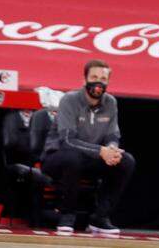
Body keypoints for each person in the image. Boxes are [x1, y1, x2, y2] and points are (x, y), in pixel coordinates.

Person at [41, 59, 135, 235]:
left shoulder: (111, 103)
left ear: (107, 82)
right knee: (72, 157)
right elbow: (67, 140)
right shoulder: (69, 100)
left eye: (103, 78)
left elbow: (113, 135)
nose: (98, 82)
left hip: (91, 158)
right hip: (57, 157)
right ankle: (67, 214)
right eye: (94, 77)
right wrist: (101, 151)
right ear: (84, 80)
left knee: (126, 161)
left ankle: (100, 217)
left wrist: (112, 150)